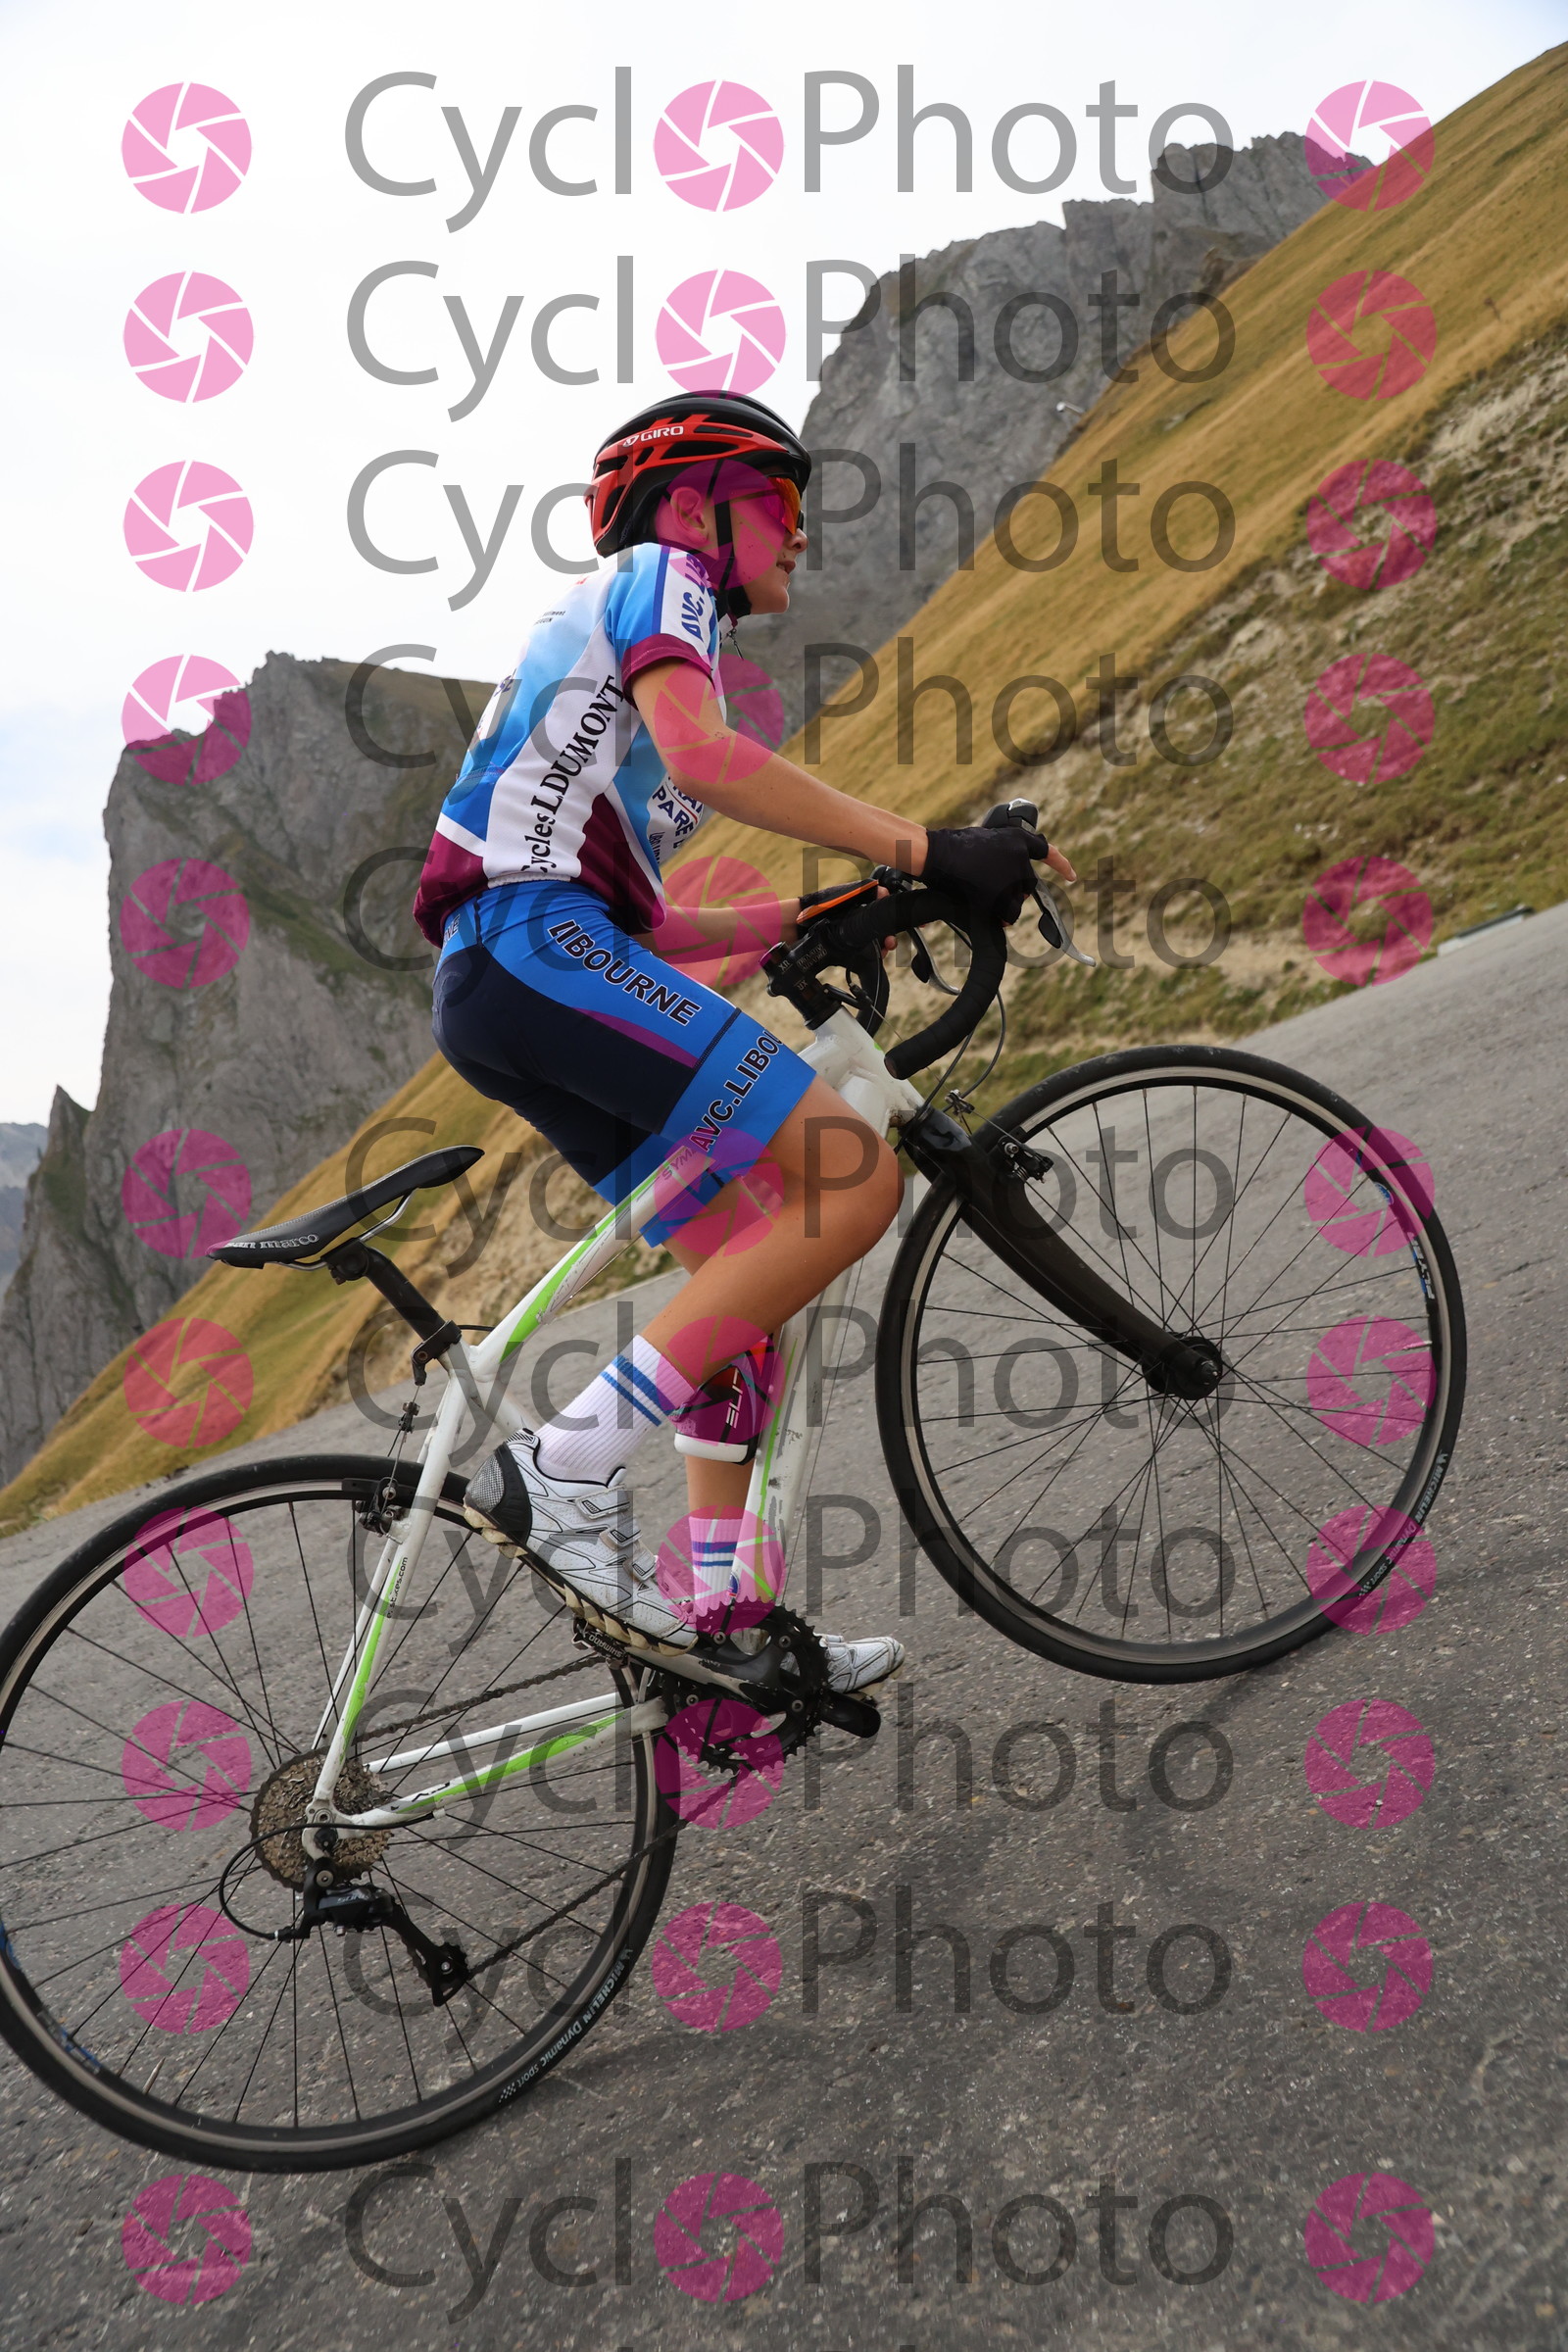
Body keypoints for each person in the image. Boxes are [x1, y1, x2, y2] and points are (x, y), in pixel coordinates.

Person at [414, 390, 1074, 1693]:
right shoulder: (662, 580)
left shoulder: (615, 688)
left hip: (507, 977)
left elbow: (650, 928)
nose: (802, 531)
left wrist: (828, 910)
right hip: (536, 949)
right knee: (853, 1179)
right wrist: (925, 849)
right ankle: (566, 1467)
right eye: (781, 500)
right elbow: (711, 760)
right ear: (693, 506)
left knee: (738, 1306)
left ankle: (725, 1627)